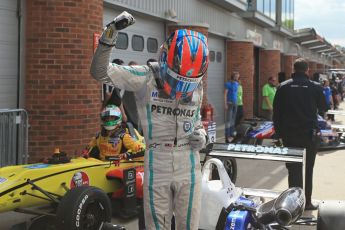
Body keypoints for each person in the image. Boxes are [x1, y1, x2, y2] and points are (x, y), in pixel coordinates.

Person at [90, 11, 209, 229]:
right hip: (157, 159)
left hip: (189, 160)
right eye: (177, 79)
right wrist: (110, 34)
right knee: (157, 225)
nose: (181, 89)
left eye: (188, 83)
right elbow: (100, 72)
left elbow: (196, 120)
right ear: (165, 60)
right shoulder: (145, 77)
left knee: (189, 225)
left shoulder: (197, 85)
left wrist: (201, 135)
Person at [273, 58, 326, 210]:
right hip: (310, 134)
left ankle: (294, 206)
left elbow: (276, 114)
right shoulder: (315, 87)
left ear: (294, 69)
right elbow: (324, 107)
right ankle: (307, 202)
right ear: (307, 70)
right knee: (309, 169)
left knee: (294, 169)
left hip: (290, 135)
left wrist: (278, 135)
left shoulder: (283, 87)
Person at [224, 72, 239, 142]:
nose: (238, 77)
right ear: (233, 76)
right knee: (228, 120)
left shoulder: (237, 84)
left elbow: (236, 94)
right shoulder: (228, 84)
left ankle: (232, 133)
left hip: (235, 103)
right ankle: (227, 135)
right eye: (237, 76)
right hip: (229, 103)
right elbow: (225, 94)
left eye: (238, 76)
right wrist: (225, 104)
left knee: (233, 119)